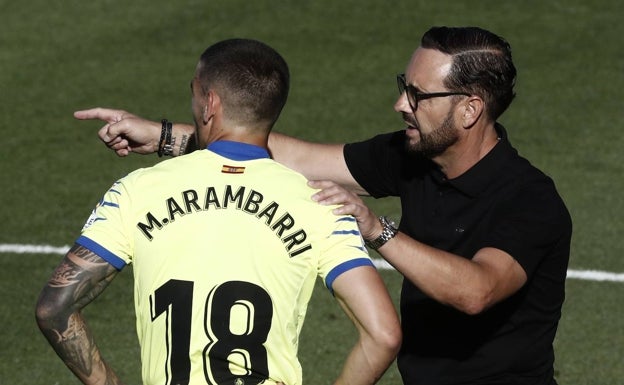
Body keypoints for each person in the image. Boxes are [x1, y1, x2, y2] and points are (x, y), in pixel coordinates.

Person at [74, 26, 572, 385]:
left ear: (469, 108)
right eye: (404, 86)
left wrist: (378, 230)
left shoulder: (529, 198)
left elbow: (475, 291)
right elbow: (290, 158)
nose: (401, 104)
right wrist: (163, 136)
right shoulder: (411, 155)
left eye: (418, 95)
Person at [35, 38, 401, 385]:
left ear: (209, 103)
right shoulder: (322, 206)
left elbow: (54, 308)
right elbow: (383, 335)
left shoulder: (136, 191)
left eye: (192, 93)